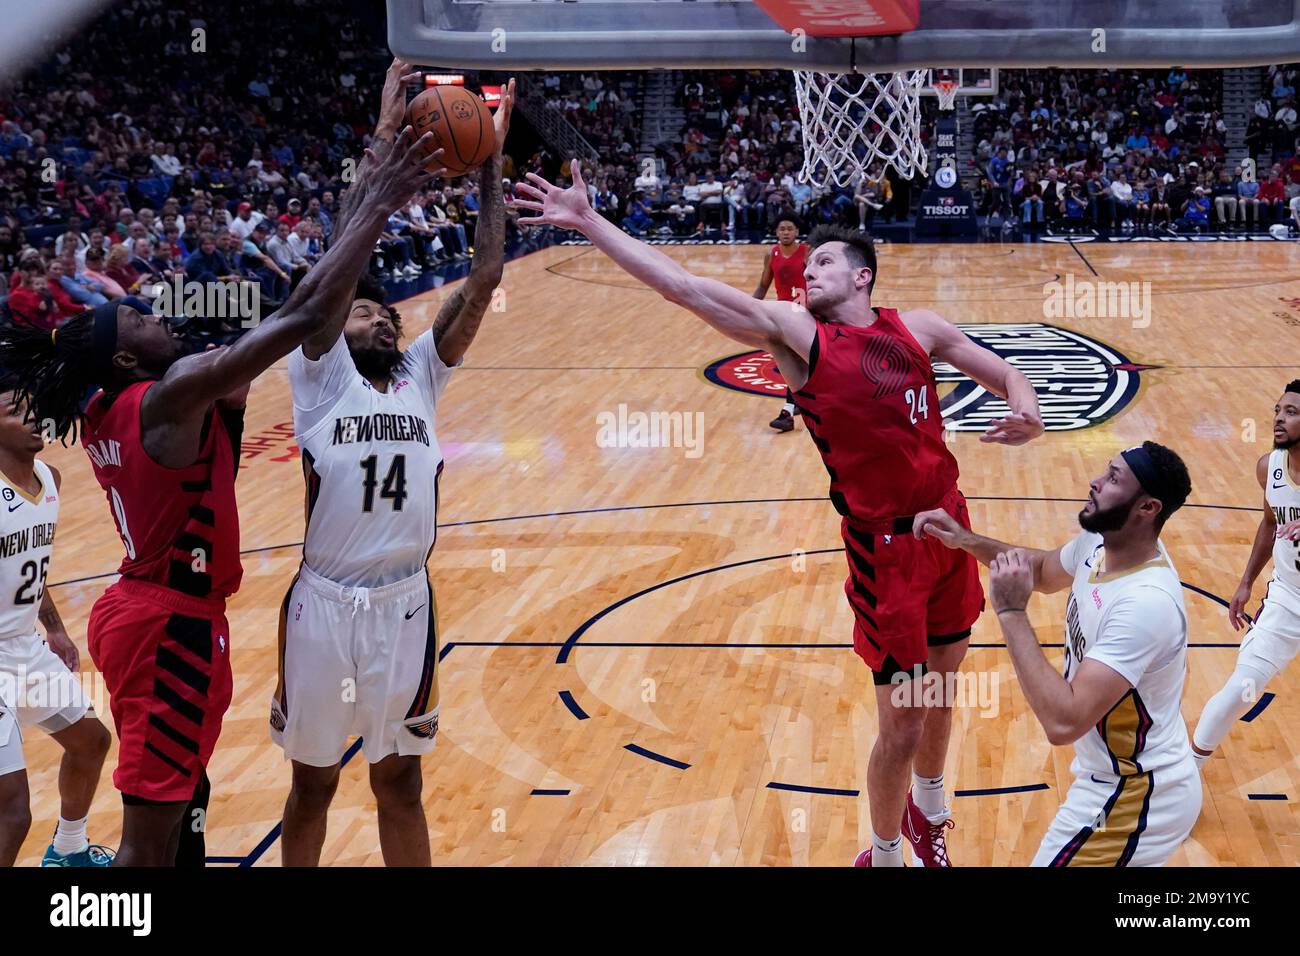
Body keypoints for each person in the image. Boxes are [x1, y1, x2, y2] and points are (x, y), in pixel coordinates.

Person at [513, 161, 1044, 868]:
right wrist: (589, 221)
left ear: (862, 277)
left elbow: (1003, 369)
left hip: (951, 529)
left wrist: (1025, 401)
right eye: (806, 264)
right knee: (905, 720)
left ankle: (931, 817)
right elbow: (682, 287)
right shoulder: (797, 337)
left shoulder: (918, 326)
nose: (808, 272)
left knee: (944, 687)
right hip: (886, 553)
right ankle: (885, 855)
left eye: (823, 262)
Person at [0, 86, 441, 867]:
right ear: (127, 356)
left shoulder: (116, 400)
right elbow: (308, 315)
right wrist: (380, 194)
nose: (154, 314)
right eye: (137, 318)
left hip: (160, 611)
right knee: (147, 844)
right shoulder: (167, 399)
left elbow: (294, 314)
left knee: (178, 809)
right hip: (167, 623)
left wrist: (376, 150)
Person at [274, 75, 512, 868]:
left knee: (400, 784)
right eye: (363, 309)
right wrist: (383, 139)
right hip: (325, 602)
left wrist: (488, 167)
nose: (379, 314)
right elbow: (342, 264)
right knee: (312, 786)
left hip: (407, 604)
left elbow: (482, 280)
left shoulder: (420, 374)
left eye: (386, 311)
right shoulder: (321, 373)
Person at [914, 442, 1198, 866]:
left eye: (1114, 479)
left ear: (1147, 508)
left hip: (1135, 796)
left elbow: (1063, 721)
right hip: (1115, 780)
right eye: (1107, 470)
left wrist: (1011, 611)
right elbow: (1044, 570)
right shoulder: (1099, 545)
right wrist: (965, 540)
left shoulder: (1145, 604)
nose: (1096, 482)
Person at [0, 389, 114, 867]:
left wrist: (56, 629)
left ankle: (68, 850)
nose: (34, 418)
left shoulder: (51, 478)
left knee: (91, 741)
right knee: (13, 812)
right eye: (16, 412)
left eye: (32, 408)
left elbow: (31, 566)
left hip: (25, 646)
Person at [1193, 381, 1300, 764]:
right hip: (1289, 599)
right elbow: (1270, 523)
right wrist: (1245, 583)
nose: (1279, 419)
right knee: (1240, 689)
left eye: (1291, 412)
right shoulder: (1269, 467)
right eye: (1278, 410)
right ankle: (1185, 779)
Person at [751, 219, 807, 433]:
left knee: (795, 362)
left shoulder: (807, 252)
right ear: (776, 232)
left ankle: (788, 412)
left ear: (797, 231)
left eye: (790, 229)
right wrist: (749, 308)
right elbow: (763, 285)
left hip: (804, 314)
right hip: (783, 316)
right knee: (796, 364)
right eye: (782, 229)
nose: (786, 232)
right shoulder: (771, 254)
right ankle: (795, 405)